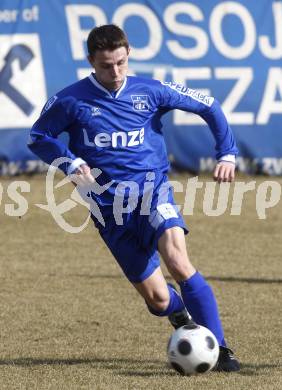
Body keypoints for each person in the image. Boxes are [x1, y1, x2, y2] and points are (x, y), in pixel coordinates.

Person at [28, 24, 240, 372]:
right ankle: (178, 314)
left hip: (152, 192)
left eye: (121, 63)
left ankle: (220, 349)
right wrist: (70, 161)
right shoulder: (70, 100)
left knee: (178, 261)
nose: (115, 72)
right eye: (106, 65)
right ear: (90, 62)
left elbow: (209, 105)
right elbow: (39, 136)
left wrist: (227, 153)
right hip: (109, 209)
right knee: (158, 300)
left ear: (128, 56)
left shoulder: (150, 90)